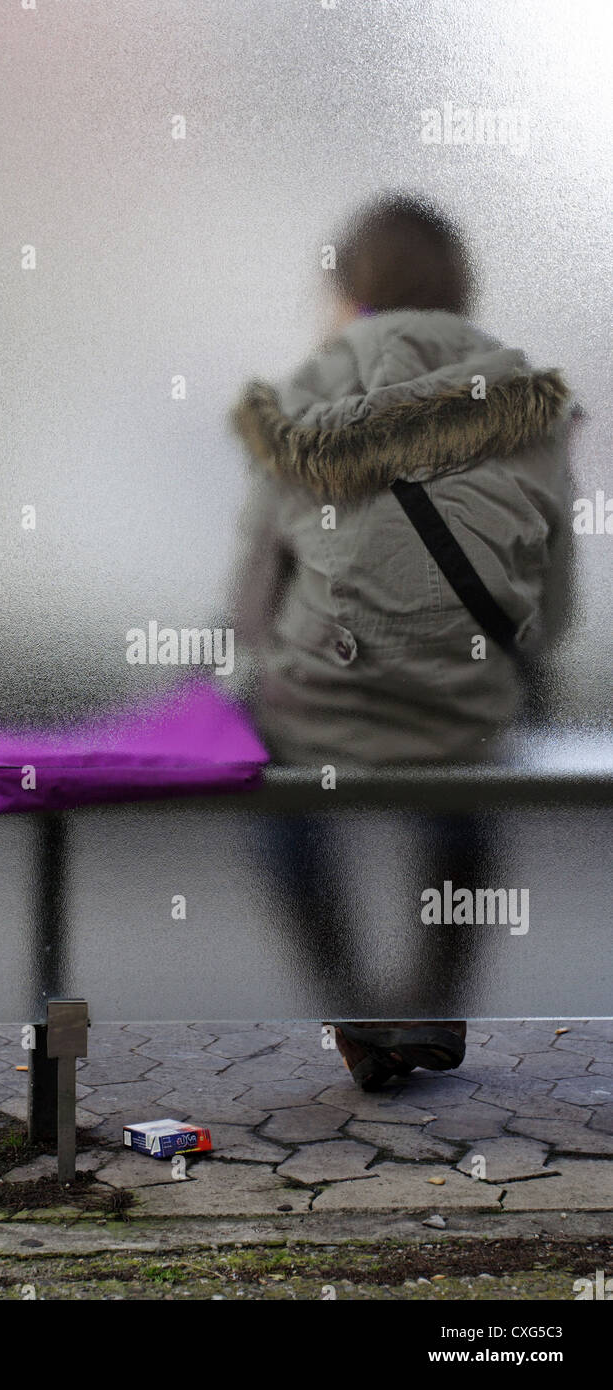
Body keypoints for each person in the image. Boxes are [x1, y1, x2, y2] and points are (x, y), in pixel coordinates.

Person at [228, 192, 576, 1090]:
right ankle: (430, 1004)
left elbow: (256, 603)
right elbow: (555, 604)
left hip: (320, 712)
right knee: (469, 748)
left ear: (348, 291)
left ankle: (356, 1007)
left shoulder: (307, 393)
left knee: (266, 773)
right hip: (462, 713)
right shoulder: (523, 399)